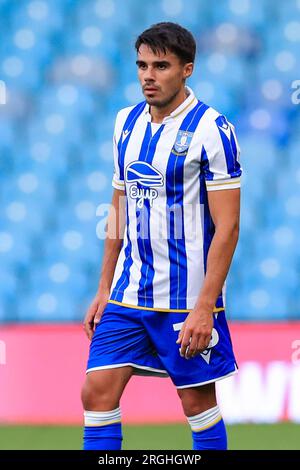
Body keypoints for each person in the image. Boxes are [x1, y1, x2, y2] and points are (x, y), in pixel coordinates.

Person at [81, 22, 242, 450]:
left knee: (197, 405)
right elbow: (118, 206)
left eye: (161, 66)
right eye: (142, 65)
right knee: (96, 393)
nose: (148, 76)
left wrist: (205, 305)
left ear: (187, 69)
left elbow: (228, 226)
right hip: (129, 293)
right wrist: (103, 288)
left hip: (185, 299)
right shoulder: (125, 122)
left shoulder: (212, 129)